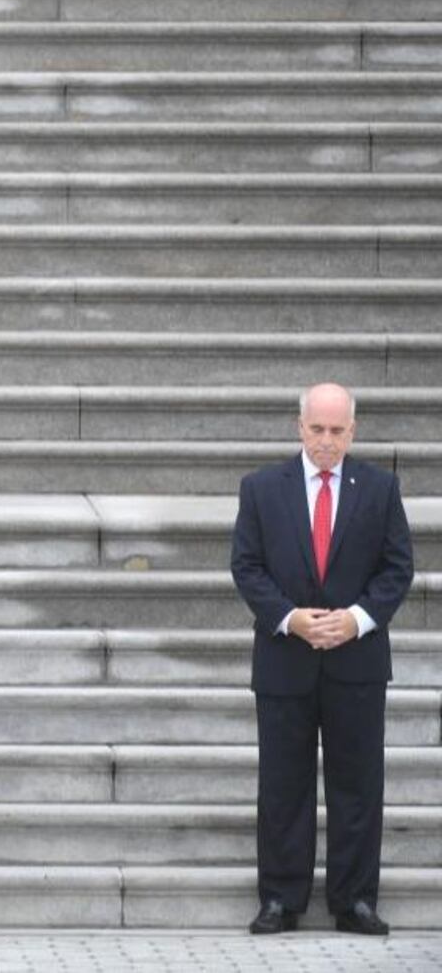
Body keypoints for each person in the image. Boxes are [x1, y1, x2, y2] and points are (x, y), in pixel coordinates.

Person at [230, 382, 413, 937]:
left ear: (352, 431)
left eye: (337, 431)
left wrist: (356, 619)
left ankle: (354, 899)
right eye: (318, 429)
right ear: (299, 426)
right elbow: (247, 566)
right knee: (283, 784)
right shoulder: (262, 489)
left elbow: (396, 568)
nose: (327, 441)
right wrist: (291, 618)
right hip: (286, 659)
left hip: (356, 662)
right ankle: (281, 900)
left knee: (357, 784)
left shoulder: (380, 489)